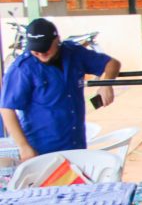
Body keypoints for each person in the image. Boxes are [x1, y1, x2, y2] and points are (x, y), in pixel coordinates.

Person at [0, 18, 121, 161]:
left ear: (57, 39)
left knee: (77, 183)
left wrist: (106, 83)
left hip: (75, 143)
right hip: (42, 148)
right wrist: (24, 146)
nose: (41, 54)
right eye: (36, 50)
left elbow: (112, 63)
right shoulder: (22, 68)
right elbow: (7, 109)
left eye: (45, 48)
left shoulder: (74, 53)